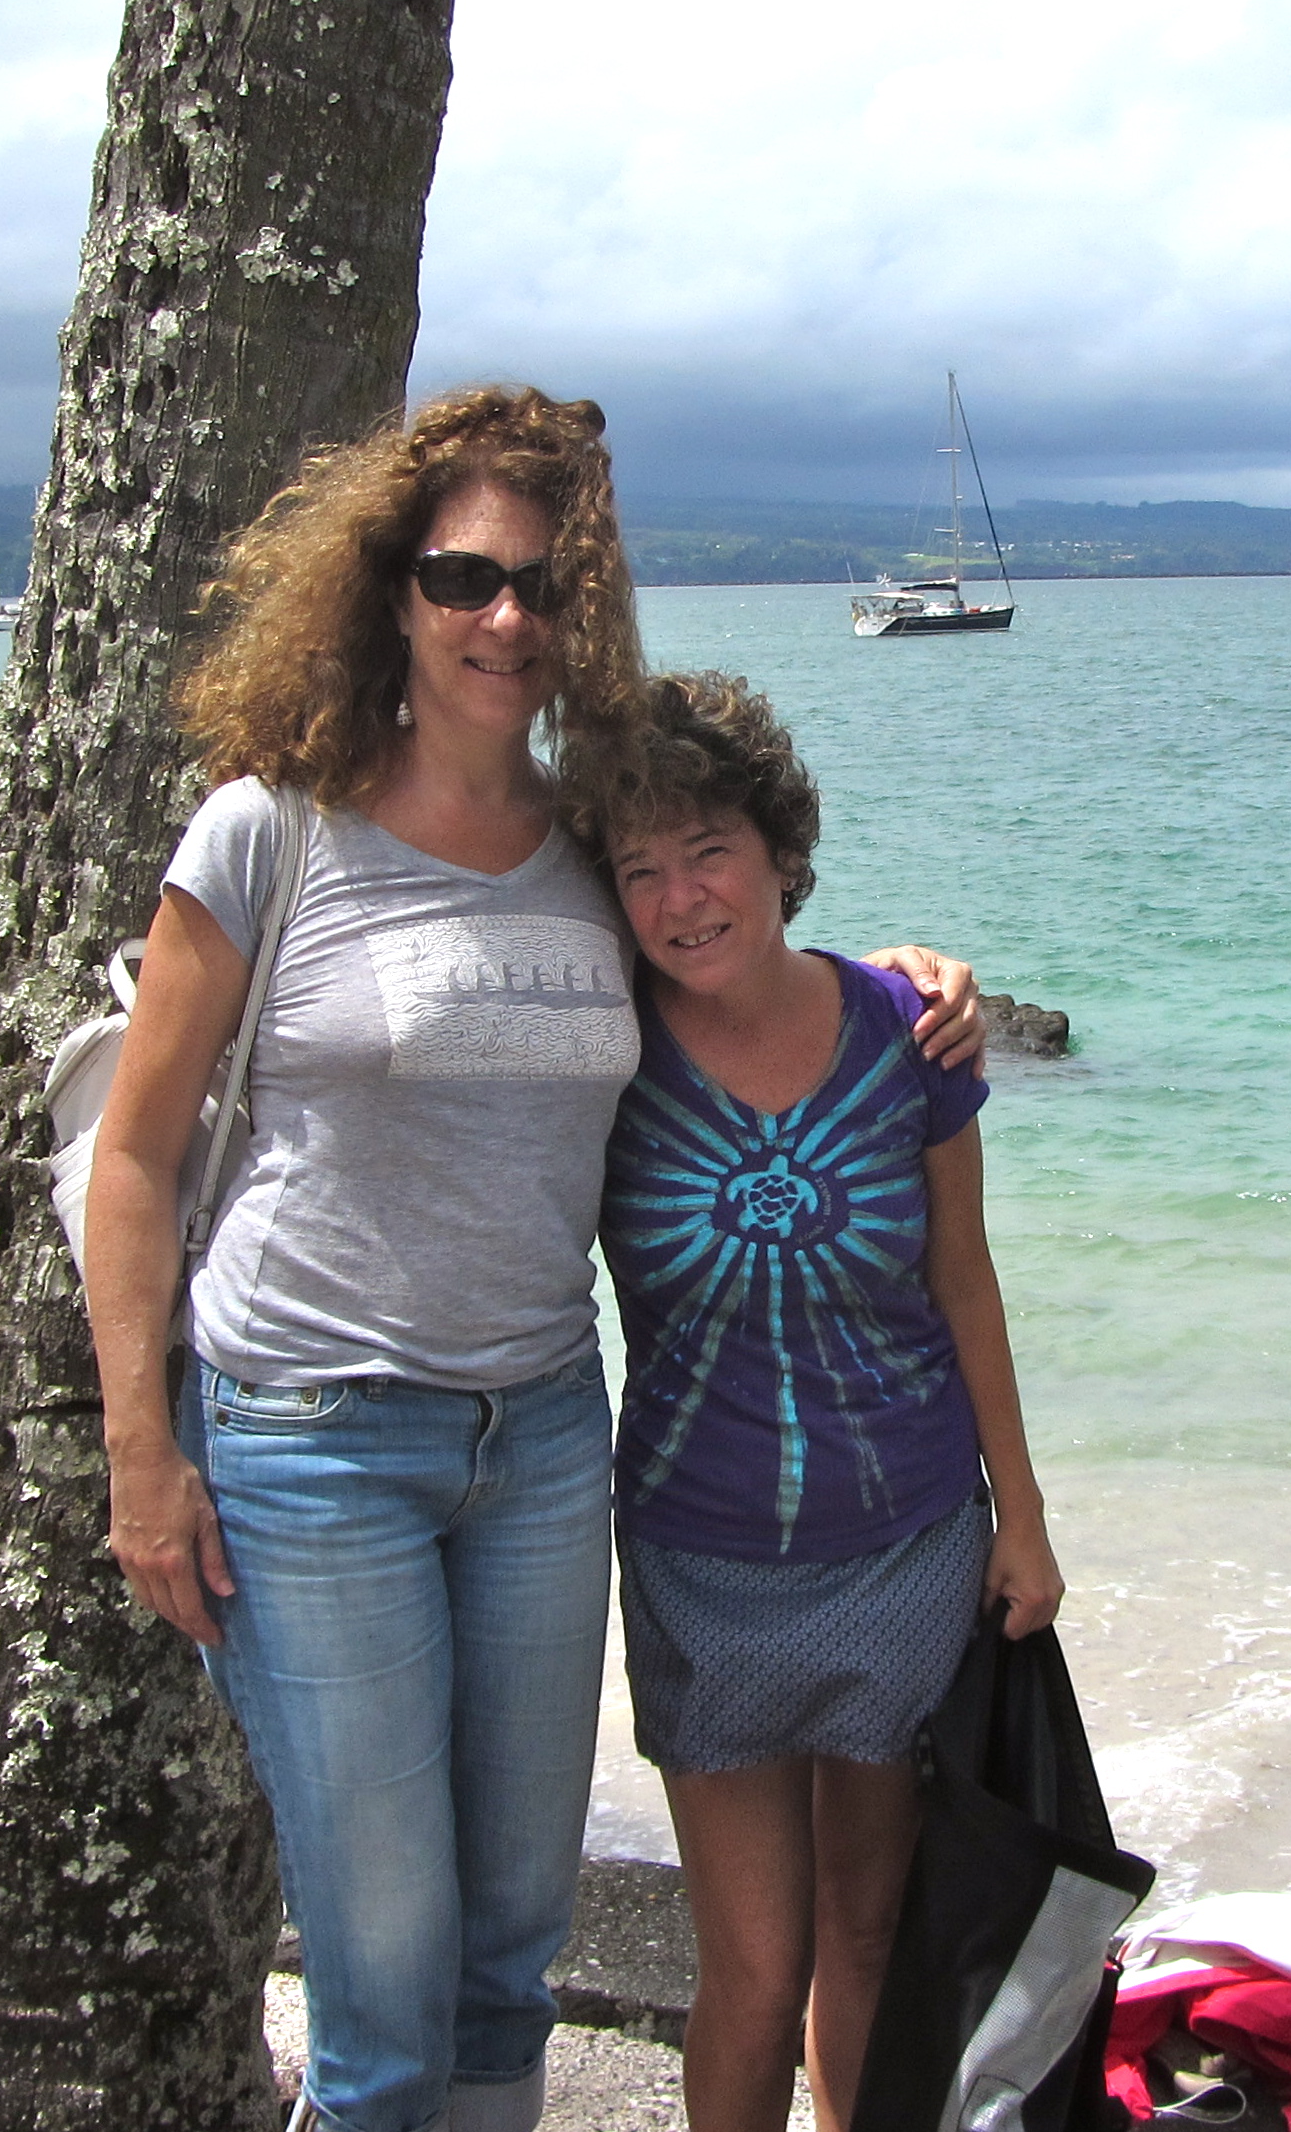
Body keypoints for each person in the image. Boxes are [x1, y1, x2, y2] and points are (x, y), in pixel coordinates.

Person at [82, 388, 978, 2132]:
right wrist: (141, 1447)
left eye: (545, 586)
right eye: (464, 576)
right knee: (384, 1983)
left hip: (547, 1443)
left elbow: (730, 971)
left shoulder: (587, 847)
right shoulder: (271, 830)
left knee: (512, 1954)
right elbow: (133, 1152)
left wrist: (906, 986)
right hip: (311, 1443)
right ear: (392, 590)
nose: (506, 616)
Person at [568, 670, 1063, 2132]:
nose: (680, 898)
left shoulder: (907, 1032)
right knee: (752, 1967)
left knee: (869, 1933)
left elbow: (964, 1277)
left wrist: (1022, 1517)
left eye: (708, 850)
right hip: (699, 1564)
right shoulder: (602, 1055)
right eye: (639, 869)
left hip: (910, 1550)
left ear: (781, 851)